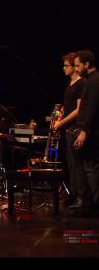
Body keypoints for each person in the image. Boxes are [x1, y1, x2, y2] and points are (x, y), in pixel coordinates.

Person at [51, 53, 86, 207]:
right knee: (70, 165)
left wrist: (61, 122)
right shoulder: (70, 83)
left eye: (66, 65)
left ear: (74, 67)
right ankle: (73, 195)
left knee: (77, 165)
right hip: (68, 129)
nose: (63, 68)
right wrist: (60, 117)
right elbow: (69, 106)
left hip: (75, 129)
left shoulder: (81, 83)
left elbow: (79, 110)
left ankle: (82, 198)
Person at [71, 50, 99, 216]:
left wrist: (84, 131)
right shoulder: (91, 81)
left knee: (91, 169)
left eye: (77, 65)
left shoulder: (95, 81)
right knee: (88, 168)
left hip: (91, 133)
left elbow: (93, 109)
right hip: (87, 131)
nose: (76, 69)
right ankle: (90, 206)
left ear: (86, 65)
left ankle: (95, 207)